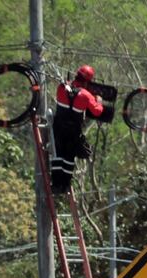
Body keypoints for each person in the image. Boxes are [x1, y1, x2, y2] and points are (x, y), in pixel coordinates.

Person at [50, 65, 105, 194]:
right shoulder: (86, 95)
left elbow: (64, 98)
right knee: (69, 157)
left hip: (58, 128)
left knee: (58, 155)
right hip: (73, 131)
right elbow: (97, 112)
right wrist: (99, 101)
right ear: (87, 81)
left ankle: (56, 184)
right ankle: (64, 185)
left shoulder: (62, 88)